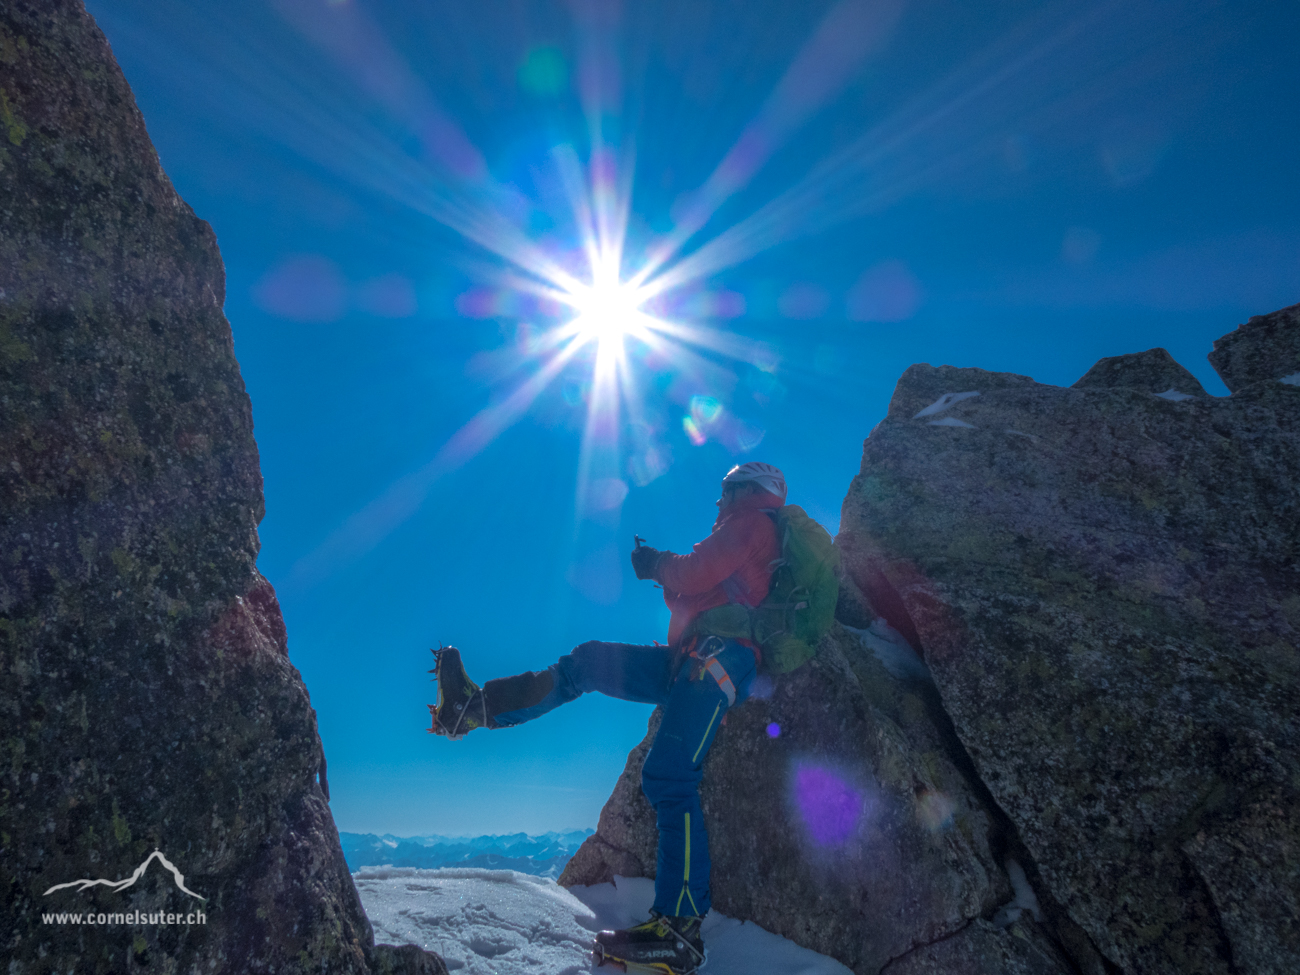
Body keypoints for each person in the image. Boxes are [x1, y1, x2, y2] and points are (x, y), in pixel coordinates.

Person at [428, 461, 789, 975]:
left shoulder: (753, 522)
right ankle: (472, 709)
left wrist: (657, 562)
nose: (719, 502)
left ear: (746, 490)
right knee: (589, 661)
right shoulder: (747, 530)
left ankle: (680, 932)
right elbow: (695, 591)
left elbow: (693, 573)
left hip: (716, 661)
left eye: (726, 491)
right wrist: (660, 569)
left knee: (669, 773)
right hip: (690, 658)